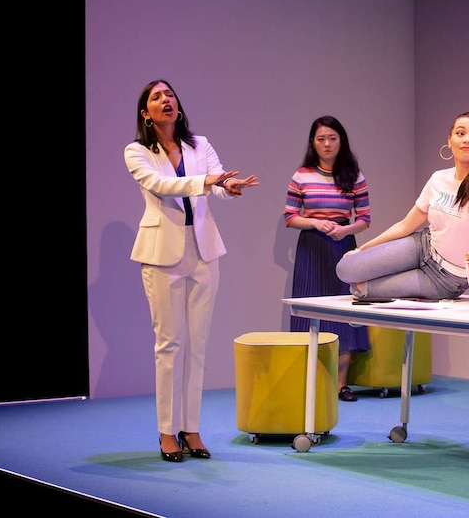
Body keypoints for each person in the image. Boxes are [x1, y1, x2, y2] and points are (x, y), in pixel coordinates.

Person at [124, 79, 259, 463]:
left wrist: (228, 186)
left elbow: (215, 181)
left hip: (203, 250)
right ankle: (167, 432)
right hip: (161, 253)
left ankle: (192, 429)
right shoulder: (137, 151)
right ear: (145, 113)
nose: (165, 100)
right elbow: (162, 185)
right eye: (156, 97)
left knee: (197, 344)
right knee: (170, 344)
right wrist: (208, 181)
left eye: (169, 95)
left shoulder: (199, 144)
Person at [335, 110, 469, 303]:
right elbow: (406, 225)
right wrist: (363, 249)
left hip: (446, 278)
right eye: (461, 133)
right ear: (449, 140)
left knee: (359, 289)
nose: (468, 139)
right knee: (346, 268)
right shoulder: (438, 178)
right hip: (423, 247)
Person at [284, 116, 372, 402]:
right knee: (311, 312)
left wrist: (344, 229)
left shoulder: (354, 175)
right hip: (311, 248)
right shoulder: (302, 175)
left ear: (341, 141)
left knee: (344, 315)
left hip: (343, 246)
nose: (326, 144)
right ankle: (310, 383)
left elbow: (365, 220)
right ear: (313, 142)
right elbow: (290, 217)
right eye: (321, 139)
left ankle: (340, 384)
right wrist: (314, 224)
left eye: (332, 138)